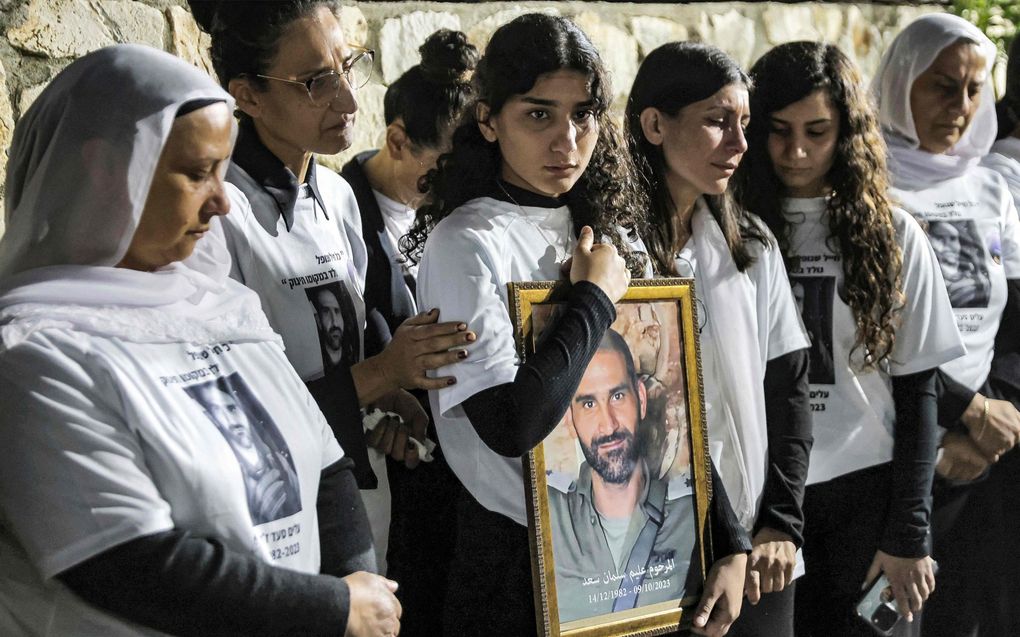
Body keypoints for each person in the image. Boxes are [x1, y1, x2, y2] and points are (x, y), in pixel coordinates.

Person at [0, 44, 399, 637]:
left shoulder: (224, 307)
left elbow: (326, 467)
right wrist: (333, 610)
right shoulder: (33, 353)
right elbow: (130, 566)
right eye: (197, 173)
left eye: (224, 170)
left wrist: (357, 586)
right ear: (105, 169)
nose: (222, 202)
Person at [404, 15, 750, 637]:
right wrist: (591, 297)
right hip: (517, 567)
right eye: (539, 115)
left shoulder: (609, 229)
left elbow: (671, 401)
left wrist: (730, 540)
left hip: (638, 562)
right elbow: (511, 424)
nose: (567, 140)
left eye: (584, 114)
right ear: (489, 120)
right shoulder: (466, 243)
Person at [189, 0, 475, 575]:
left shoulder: (339, 196)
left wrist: (381, 402)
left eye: (348, 67)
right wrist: (383, 374)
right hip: (273, 515)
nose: (349, 99)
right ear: (246, 96)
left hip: (359, 495)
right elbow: (229, 407)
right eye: (316, 82)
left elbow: (338, 354)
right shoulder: (219, 214)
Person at [735, 40, 965, 636]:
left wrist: (910, 532)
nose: (797, 151)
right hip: (763, 500)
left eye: (818, 130)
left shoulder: (893, 234)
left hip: (869, 498)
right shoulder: (728, 230)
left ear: (848, 130)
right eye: (778, 130)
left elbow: (920, 394)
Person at [626, 42, 812, 637]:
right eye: (716, 121)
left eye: (744, 124)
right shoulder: (616, 253)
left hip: (760, 553)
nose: (739, 143)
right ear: (654, 124)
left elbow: (789, 388)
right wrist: (724, 539)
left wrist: (780, 524)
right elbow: (662, 416)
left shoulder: (750, 246)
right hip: (655, 550)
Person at [872, 14, 1020, 636]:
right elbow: (868, 334)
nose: (959, 106)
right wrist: (962, 414)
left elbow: (1015, 324)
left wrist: (994, 416)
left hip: (983, 456)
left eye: (973, 88)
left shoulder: (994, 186)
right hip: (892, 450)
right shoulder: (866, 183)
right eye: (940, 85)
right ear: (902, 80)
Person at [339, 28, 477, 636]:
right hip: (383, 485)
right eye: (439, 167)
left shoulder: (462, 210)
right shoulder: (338, 212)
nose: (455, 182)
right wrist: (374, 412)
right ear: (396, 140)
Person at [550, 329, 697, 623]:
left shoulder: (692, 512)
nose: (608, 424)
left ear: (641, 399)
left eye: (617, 396)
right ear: (569, 416)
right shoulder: (548, 514)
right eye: (588, 404)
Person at [307, 282, 360, 369]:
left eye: (337, 311)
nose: (334, 322)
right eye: (326, 312)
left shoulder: (352, 355)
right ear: (318, 320)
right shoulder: (314, 364)